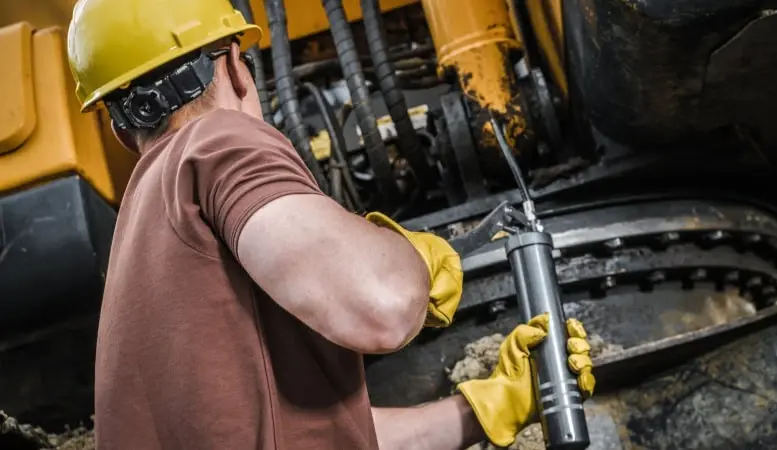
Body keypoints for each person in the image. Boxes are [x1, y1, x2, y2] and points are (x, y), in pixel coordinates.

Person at [66, 0, 596, 448]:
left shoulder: (140, 255)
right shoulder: (214, 140)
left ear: (118, 128)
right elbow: (383, 305)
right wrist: (416, 260)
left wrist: (482, 410)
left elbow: (318, 434)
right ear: (233, 64)